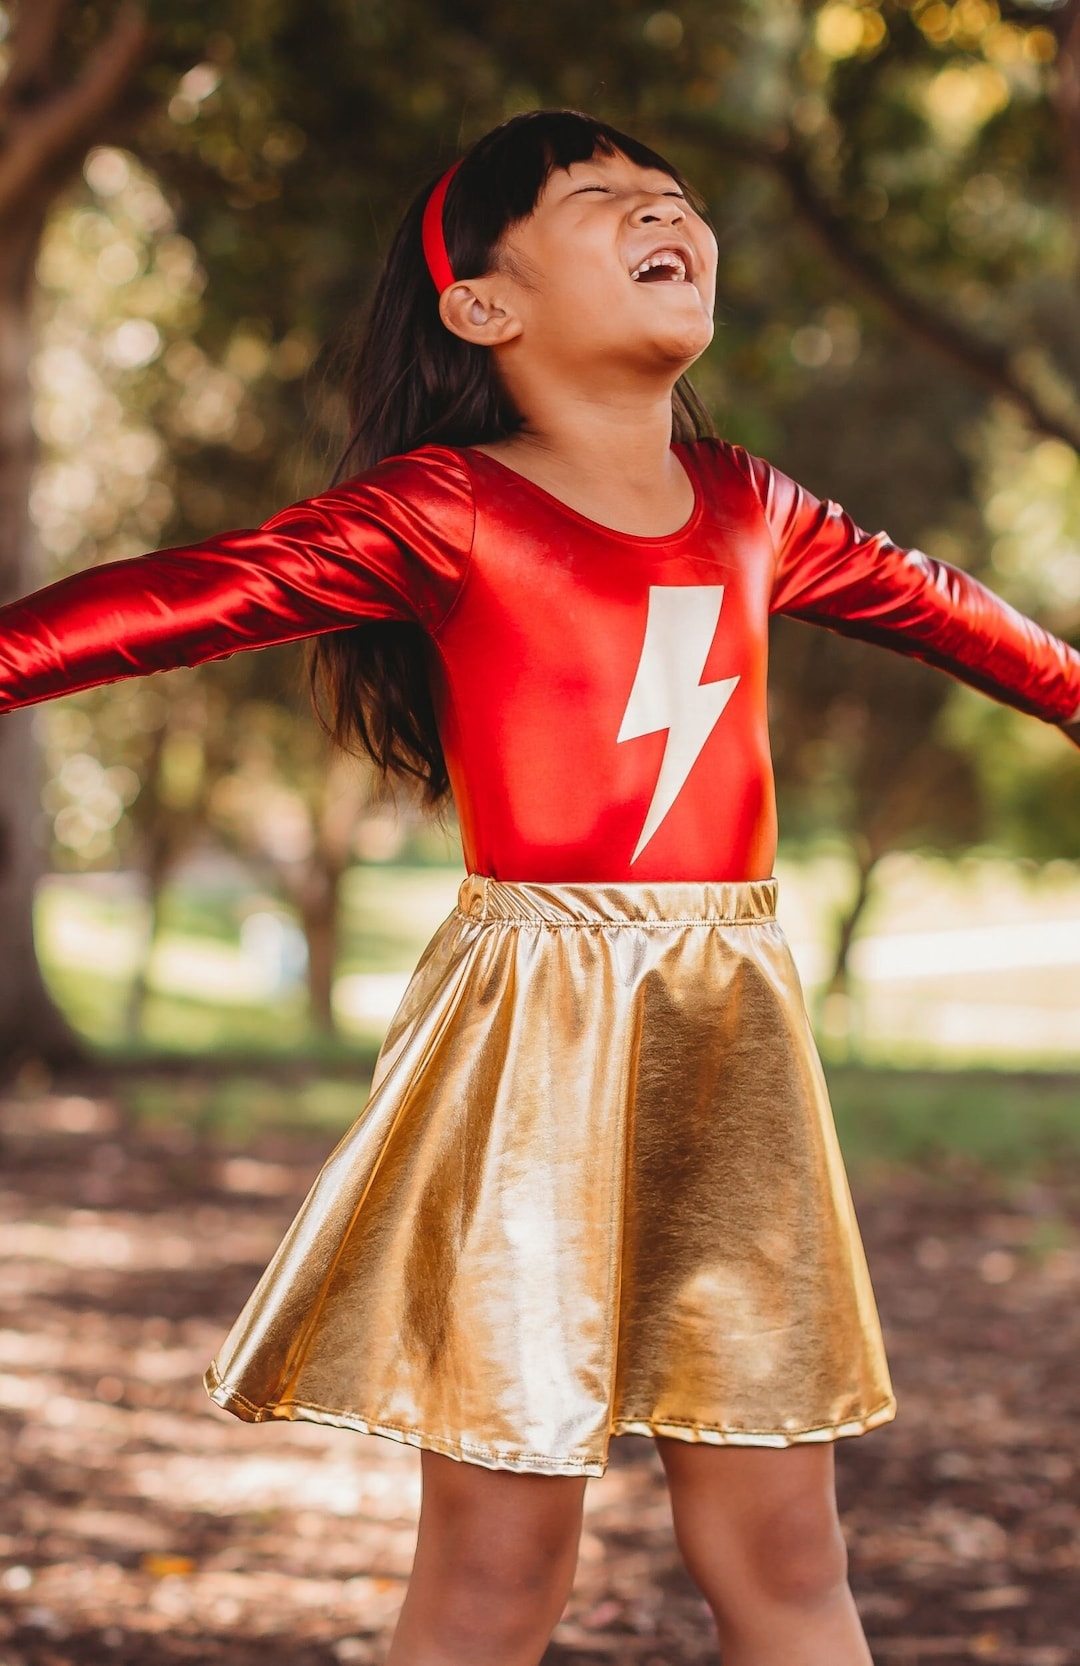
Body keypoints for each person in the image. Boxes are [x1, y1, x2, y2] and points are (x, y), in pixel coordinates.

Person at [1, 108, 1078, 1666]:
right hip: (533, 1042)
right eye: (603, 197)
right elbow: (188, 598)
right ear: (483, 305)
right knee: (503, 1565)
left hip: (737, 1041)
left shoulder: (752, 506)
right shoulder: (445, 508)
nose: (668, 211)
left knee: (787, 1546)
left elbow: (962, 616)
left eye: (677, 195)